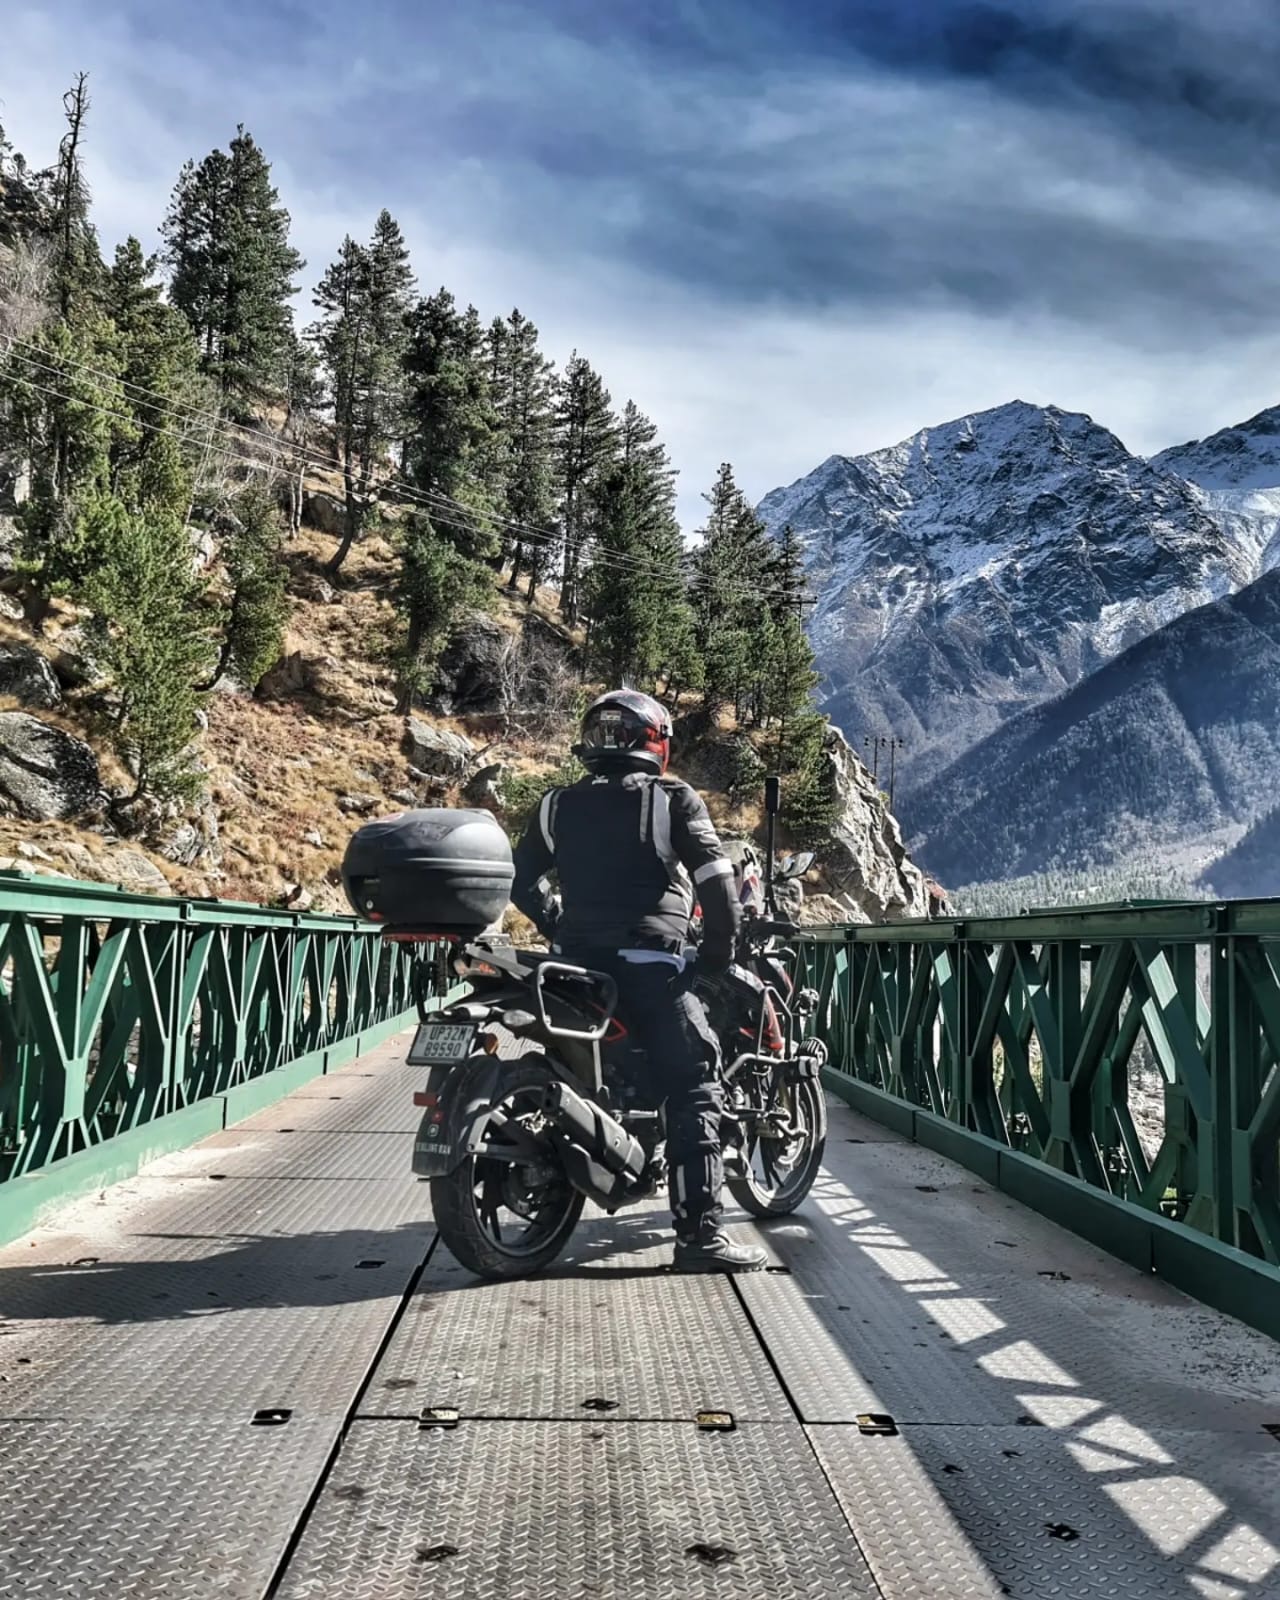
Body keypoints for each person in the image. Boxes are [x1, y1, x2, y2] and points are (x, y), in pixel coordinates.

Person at [510, 688, 768, 1273]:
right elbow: (716, 886)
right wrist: (716, 958)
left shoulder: (556, 804)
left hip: (575, 970)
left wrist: (558, 926)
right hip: (650, 965)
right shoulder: (671, 799)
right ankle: (701, 1237)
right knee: (696, 1081)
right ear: (657, 741)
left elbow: (521, 882)